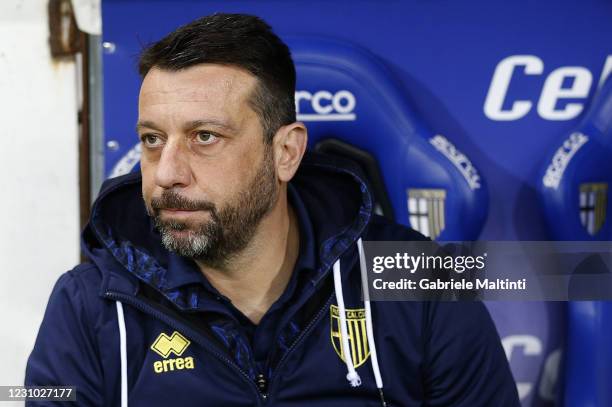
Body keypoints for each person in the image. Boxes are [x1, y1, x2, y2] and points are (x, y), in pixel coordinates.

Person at [26, 13, 520, 406]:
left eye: (205, 137)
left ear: (285, 153)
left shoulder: (424, 284)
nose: (166, 172)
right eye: (153, 139)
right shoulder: (86, 306)